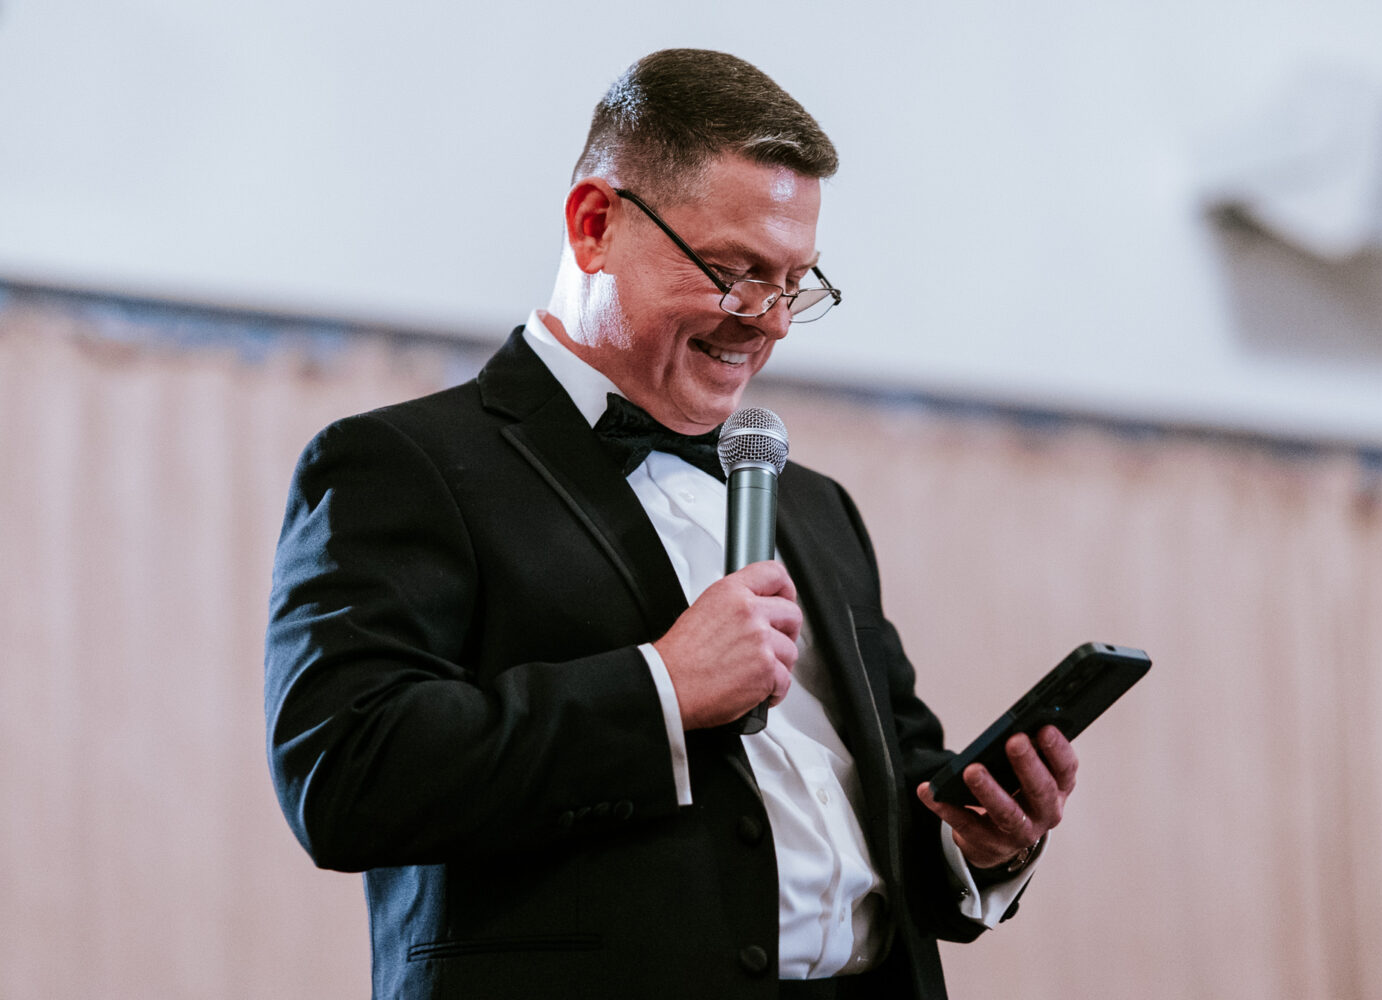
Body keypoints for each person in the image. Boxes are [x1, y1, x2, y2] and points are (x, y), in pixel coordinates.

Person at [265, 48, 1078, 1000]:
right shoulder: (397, 466)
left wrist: (969, 842)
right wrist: (661, 688)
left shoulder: (815, 507)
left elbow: (877, 791)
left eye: (793, 284)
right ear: (595, 223)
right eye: (733, 271)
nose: (765, 322)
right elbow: (344, 777)